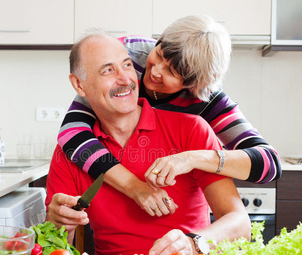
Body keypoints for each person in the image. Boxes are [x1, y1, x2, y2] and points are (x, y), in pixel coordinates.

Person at [46, 33, 251, 255]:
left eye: (127, 65)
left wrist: (194, 244)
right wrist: (57, 223)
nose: (125, 79)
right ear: (79, 84)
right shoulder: (69, 152)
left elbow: (240, 224)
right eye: (108, 71)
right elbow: (54, 250)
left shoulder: (191, 130)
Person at [57, 15, 282, 216]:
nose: (154, 71)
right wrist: (136, 188)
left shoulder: (206, 97)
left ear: (193, 85)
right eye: (159, 54)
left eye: (171, 72)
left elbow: (269, 163)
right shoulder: (130, 56)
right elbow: (71, 132)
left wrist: (193, 158)